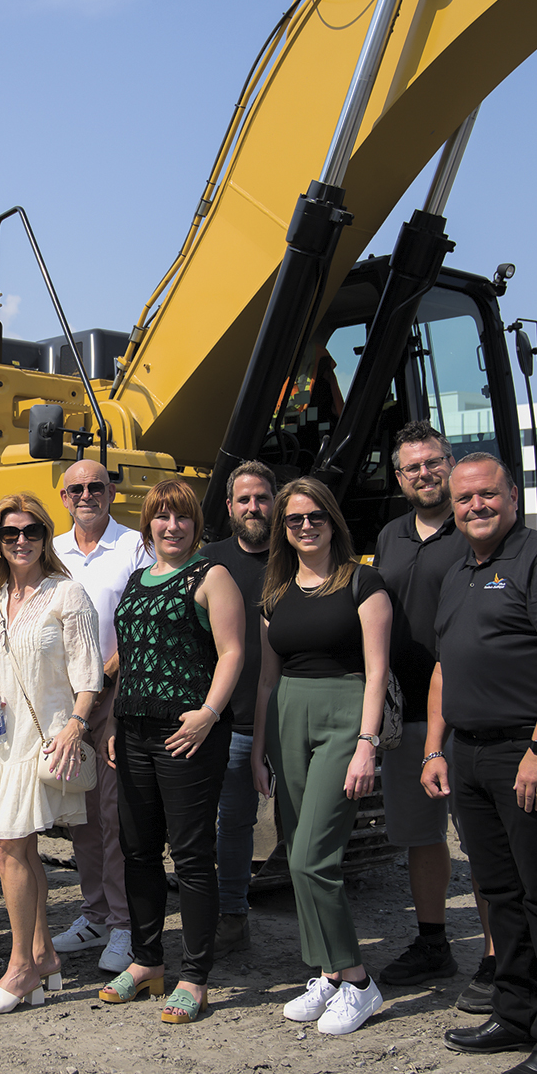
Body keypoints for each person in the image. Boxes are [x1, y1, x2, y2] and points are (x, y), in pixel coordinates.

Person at [422, 454, 537, 1074]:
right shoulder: (459, 572)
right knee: (499, 894)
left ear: (513, 497)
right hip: (466, 755)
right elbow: (445, 667)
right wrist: (435, 750)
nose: (475, 506)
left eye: (487, 495)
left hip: (526, 753)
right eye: (464, 498)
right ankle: (516, 1012)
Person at [100, 479, 245, 1025]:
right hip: (133, 732)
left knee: (189, 856)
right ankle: (145, 961)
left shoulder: (212, 576)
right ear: (149, 525)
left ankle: (196, 975)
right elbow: (129, 661)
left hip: (187, 735)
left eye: (182, 517)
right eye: (162, 516)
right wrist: (115, 722)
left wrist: (208, 714)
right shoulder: (138, 580)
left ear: (196, 525)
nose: (172, 526)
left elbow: (233, 651)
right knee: (136, 852)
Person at [253, 479, 393, 1035]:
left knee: (315, 857)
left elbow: (378, 670)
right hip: (288, 715)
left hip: (344, 716)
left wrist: (367, 744)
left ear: (333, 520)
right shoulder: (276, 593)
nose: (306, 526)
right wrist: (260, 748)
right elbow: (266, 680)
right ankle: (329, 974)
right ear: (283, 530)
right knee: (294, 858)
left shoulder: (364, 582)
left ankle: (359, 982)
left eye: (315, 517)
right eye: (294, 520)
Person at [369, 424, 493, 1009]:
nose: (424, 474)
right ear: (399, 477)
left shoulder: (472, 529)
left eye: (433, 463)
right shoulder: (390, 535)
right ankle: (433, 941)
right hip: (408, 713)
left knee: (484, 840)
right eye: (412, 467)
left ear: (450, 464)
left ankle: (498, 956)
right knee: (421, 838)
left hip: (468, 710)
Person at [0, 494, 101, 1016]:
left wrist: (75, 726)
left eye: (32, 531)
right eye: (9, 533)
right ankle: (42, 955)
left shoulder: (67, 594)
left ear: (46, 536)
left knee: (10, 850)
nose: (21, 541)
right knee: (13, 850)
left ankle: (20, 965)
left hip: (44, 742)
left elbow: (89, 675)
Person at [51, 457, 151, 974]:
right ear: (62, 497)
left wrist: (104, 674)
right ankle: (93, 912)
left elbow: (139, 617)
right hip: (62, 702)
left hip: (114, 695)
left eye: (96, 486)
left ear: (111, 492)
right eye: (76, 489)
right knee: (80, 814)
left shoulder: (134, 545)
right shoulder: (52, 549)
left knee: (114, 814)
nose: (86, 495)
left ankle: (123, 924)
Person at [197, 461, 273, 960]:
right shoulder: (210, 560)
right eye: (243, 500)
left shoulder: (296, 553)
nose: (253, 507)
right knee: (234, 822)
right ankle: (233, 916)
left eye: (262, 498)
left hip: (294, 714)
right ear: (228, 508)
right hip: (233, 718)